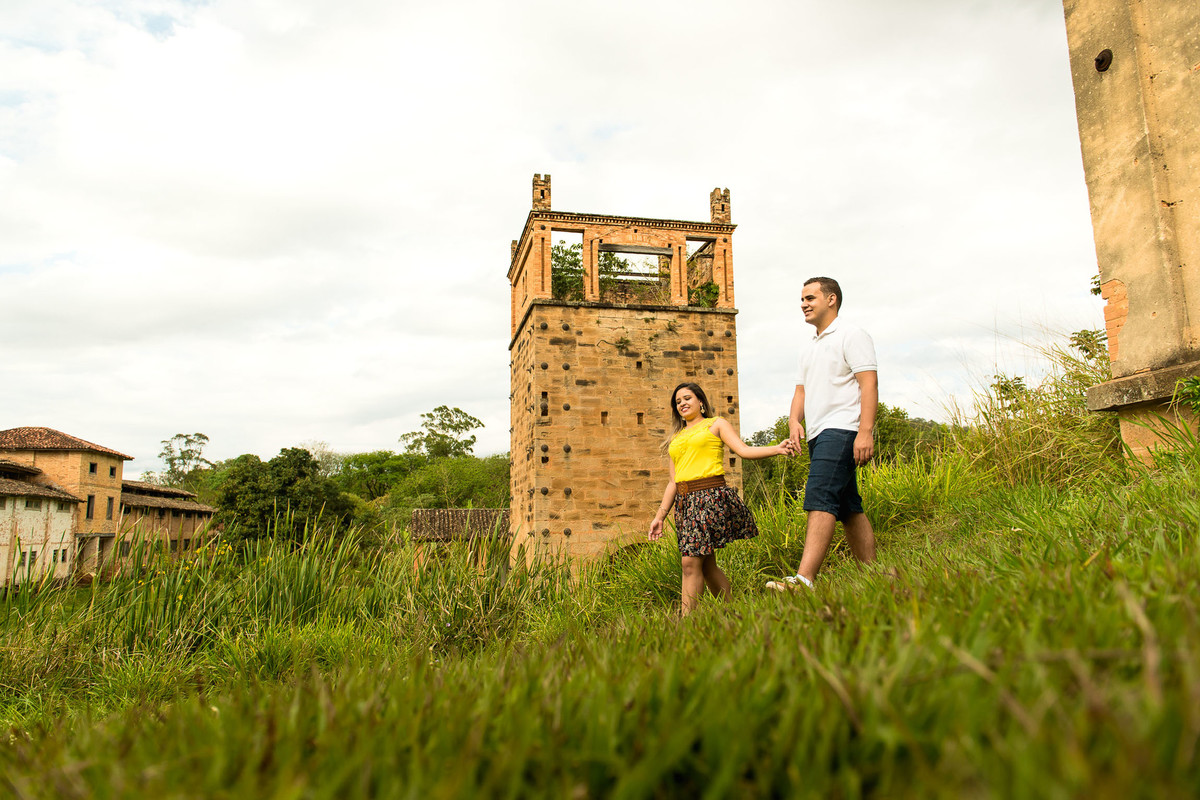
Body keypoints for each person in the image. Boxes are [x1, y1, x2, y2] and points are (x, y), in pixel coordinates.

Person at [767, 276, 878, 591]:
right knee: (847, 507)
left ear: (831, 299)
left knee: (820, 496)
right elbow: (800, 391)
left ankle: (803, 581)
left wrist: (865, 432)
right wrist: (793, 420)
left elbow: (868, 383)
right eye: (802, 299)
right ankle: (875, 578)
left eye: (810, 298)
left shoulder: (852, 335)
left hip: (842, 428)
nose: (803, 304)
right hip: (818, 433)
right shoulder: (808, 348)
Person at [649, 382, 793, 616]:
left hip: (709, 498)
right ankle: (735, 613)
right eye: (678, 402)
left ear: (701, 402)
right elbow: (673, 482)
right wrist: (660, 516)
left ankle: (686, 625)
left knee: (690, 563)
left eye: (687, 398)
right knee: (706, 565)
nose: (682, 403)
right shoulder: (676, 439)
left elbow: (743, 451)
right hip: (685, 505)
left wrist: (776, 448)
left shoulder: (716, 424)